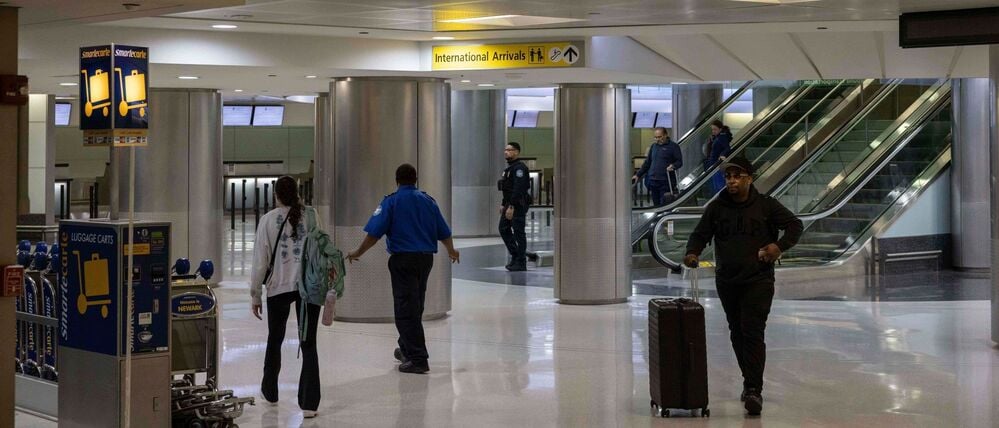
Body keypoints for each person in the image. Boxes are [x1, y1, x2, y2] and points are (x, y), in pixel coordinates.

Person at [682, 157, 802, 416]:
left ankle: (753, 389)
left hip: (758, 279)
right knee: (736, 332)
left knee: (752, 331)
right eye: (728, 177)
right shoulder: (717, 208)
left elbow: (795, 225)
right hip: (727, 280)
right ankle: (749, 382)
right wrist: (692, 252)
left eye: (737, 176)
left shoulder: (766, 206)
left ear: (749, 178)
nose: (732, 181)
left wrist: (778, 246)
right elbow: (700, 233)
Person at [346, 164, 460, 374]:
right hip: (425, 260)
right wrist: (452, 250)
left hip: (403, 261)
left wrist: (358, 252)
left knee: (405, 309)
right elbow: (443, 231)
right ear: (416, 179)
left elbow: (374, 233)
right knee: (416, 305)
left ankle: (418, 358)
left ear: (396, 180)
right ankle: (407, 348)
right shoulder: (428, 201)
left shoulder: (392, 201)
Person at [250, 176, 324, 419]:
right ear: (297, 193)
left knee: (275, 338)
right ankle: (310, 403)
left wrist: (255, 294)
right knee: (308, 342)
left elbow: (261, 261)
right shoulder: (311, 216)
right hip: (308, 288)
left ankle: (270, 391)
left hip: (278, 288)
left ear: (276, 195)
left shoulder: (268, 220)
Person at [498, 142, 531, 271]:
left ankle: (521, 262)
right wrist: (503, 204)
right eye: (505, 149)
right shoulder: (509, 169)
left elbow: (519, 188)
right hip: (509, 203)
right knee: (503, 229)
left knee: (518, 233)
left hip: (518, 204)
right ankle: (515, 255)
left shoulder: (519, 168)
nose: (506, 152)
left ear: (516, 152)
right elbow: (507, 189)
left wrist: (511, 206)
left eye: (509, 150)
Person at [633, 127, 683, 206]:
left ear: (666, 135)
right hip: (653, 181)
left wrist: (673, 166)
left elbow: (679, 162)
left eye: (659, 137)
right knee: (656, 205)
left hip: (666, 182)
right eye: (655, 137)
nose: (657, 139)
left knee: (664, 204)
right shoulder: (654, 147)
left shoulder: (673, 147)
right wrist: (638, 175)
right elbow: (647, 163)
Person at [705, 120, 734, 194]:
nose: (713, 131)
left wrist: (722, 155)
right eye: (712, 129)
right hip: (714, 164)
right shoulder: (717, 137)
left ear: (720, 129)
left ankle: (721, 200)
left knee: (719, 185)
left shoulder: (722, 137)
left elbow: (727, 148)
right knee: (716, 184)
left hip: (717, 164)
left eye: (715, 129)